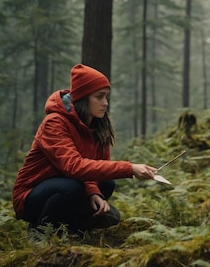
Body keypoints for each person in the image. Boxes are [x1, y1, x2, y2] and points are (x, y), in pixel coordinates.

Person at [12, 63, 158, 238]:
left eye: (106, 97)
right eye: (99, 97)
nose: (105, 103)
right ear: (82, 98)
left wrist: (93, 193)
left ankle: (72, 230)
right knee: (71, 188)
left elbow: (94, 168)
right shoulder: (54, 123)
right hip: (33, 195)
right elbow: (73, 166)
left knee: (106, 185)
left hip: (71, 186)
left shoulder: (98, 126)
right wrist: (130, 168)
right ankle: (41, 232)